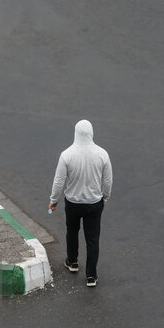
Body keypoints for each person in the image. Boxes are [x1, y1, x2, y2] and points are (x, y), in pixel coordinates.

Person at [49, 120, 113, 287]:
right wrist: (105, 197)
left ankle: (73, 261)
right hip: (94, 203)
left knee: (72, 231)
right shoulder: (102, 154)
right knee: (92, 239)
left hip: (73, 203)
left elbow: (58, 181)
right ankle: (91, 276)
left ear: (76, 134)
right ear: (91, 133)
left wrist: (53, 201)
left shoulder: (67, 155)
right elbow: (107, 180)